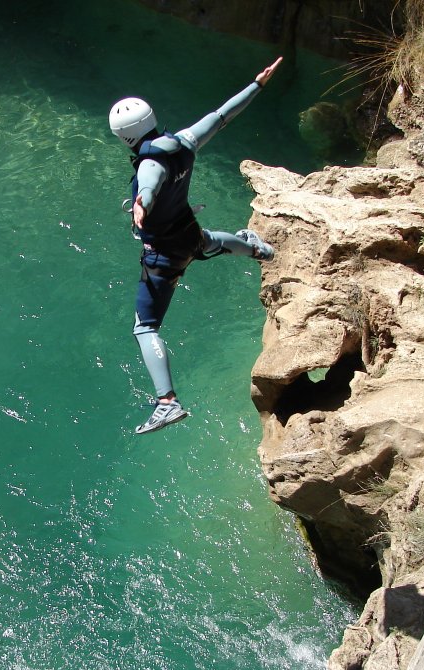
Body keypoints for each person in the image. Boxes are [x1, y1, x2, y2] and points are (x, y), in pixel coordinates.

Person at [109, 57, 283, 435]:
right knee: (206, 243)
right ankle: (260, 250)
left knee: (145, 327)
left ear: (124, 136)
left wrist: (143, 204)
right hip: (187, 232)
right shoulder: (185, 141)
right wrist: (256, 85)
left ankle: (166, 403)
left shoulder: (148, 164)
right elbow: (221, 116)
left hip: (163, 253)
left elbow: (150, 182)